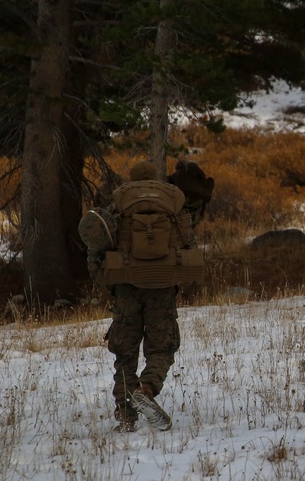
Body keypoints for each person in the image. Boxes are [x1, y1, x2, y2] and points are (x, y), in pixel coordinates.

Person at [87, 161, 201, 432]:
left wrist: (103, 280)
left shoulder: (120, 205)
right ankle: (147, 388)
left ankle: (126, 415)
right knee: (162, 347)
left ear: (133, 178)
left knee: (125, 353)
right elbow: (189, 243)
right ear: (156, 179)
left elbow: (99, 242)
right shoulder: (173, 204)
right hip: (162, 285)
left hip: (127, 284)